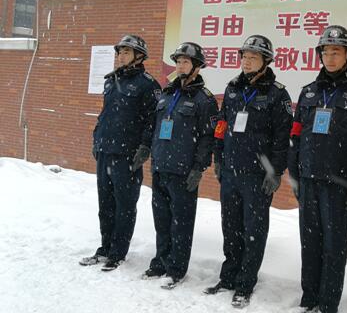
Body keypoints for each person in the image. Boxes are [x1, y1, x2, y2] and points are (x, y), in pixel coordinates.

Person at [287, 25, 347, 313]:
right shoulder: (309, 93)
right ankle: (309, 298)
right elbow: (296, 136)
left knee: (334, 248)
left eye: (336, 52)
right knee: (309, 244)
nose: (330, 57)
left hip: (339, 185)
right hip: (309, 180)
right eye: (326, 52)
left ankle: (327, 304)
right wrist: (294, 174)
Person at [205, 35, 292, 309]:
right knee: (230, 227)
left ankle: (245, 283)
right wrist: (218, 157)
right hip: (230, 171)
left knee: (253, 230)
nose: (246, 61)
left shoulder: (278, 94)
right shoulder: (232, 88)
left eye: (253, 57)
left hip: (257, 176)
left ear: (266, 61)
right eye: (244, 56)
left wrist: (275, 171)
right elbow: (221, 125)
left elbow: (282, 137)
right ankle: (229, 276)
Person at [80, 34, 161, 271]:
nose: (121, 56)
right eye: (120, 52)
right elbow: (105, 114)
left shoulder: (148, 84)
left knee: (124, 205)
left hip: (128, 154)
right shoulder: (111, 81)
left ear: (139, 56)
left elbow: (151, 120)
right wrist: (97, 138)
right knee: (105, 204)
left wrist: (144, 147)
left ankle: (118, 252)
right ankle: (105, 248)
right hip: (106, 150)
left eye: (126, 52)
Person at [142, 42, 218, 289]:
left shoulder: (204, 99)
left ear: (197, 66)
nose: (180, 65)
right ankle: (160, 262)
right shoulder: (167, 93)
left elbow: (207, 137)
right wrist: (147, 150)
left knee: (181, 222)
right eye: (178, 61)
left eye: (185, 61)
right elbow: (154, 126)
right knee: (161, 219)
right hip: (161, 165)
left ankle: (176, 269)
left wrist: (199, 167)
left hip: (184, 171)